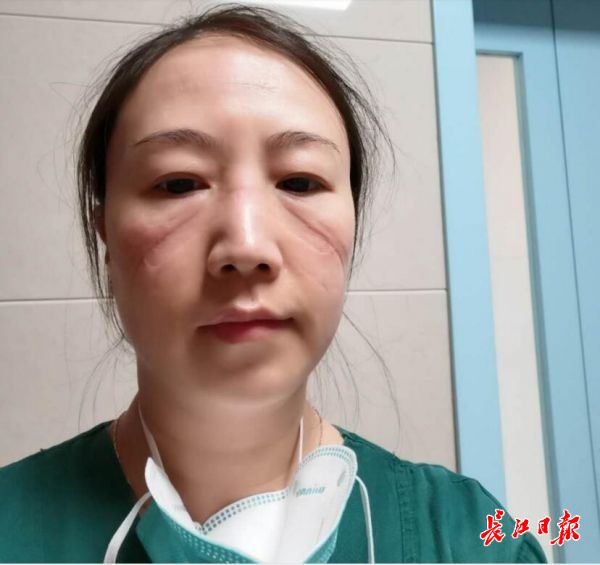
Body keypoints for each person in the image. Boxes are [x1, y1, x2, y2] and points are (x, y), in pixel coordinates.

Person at [0, 4, 546, 563]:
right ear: (106, 235)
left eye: (300, 182)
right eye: (179, 182)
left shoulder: (475, 539)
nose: (246, 246)